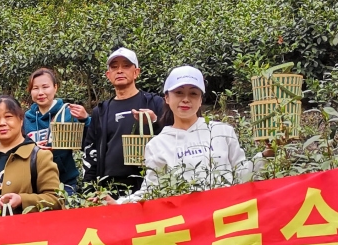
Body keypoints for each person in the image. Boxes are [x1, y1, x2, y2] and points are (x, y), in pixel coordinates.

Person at [115, 66, 257, 201]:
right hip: (185, 218)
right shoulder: (157, 145)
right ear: (167, 98)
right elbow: (151, 191)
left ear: (200, 100)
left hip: (223, 215)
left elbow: (242, 174)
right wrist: (119, 204)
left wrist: (264, 157)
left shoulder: (222, 132)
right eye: (179, 92)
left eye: (193, 93)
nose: (186, 99)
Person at [81, 47, 165, 195]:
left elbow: (171, 138)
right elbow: (91, 153)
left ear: (136, 72)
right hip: (108, 188)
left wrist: (154, 121)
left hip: (147, 185)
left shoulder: (154, 103)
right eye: (114, 67)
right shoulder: (100, 111)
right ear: (108, 75)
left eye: (126, 66)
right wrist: (89, 191)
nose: (119, 71)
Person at [0, 96, 62, 218]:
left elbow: (55, 200)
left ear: (21, 120)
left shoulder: (39, 156)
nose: (2, 123)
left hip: (19, 230)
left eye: (8, 117)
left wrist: (22, 200)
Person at [22, 67, 87, 196]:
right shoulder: (25, 119)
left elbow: (89, 143)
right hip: (33, 184)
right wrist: (32, 147)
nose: (40, 93)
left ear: (55, 87)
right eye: (35, 88)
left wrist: (85, 120)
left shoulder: (68, 114)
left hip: (64, 183)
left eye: (45, 87)